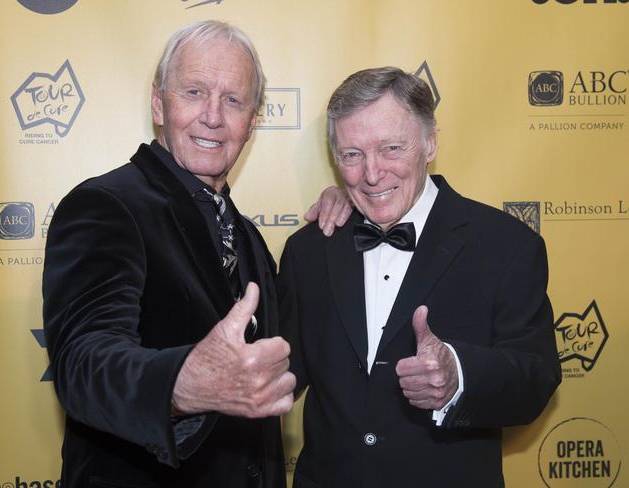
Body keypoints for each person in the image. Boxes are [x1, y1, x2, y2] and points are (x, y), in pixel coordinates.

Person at [42, 20, 349, 488]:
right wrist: (183, 383)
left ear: (252, 120)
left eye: (233, 100)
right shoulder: (106, 205)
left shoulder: (247, 237)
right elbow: (83, 363)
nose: (212, 116)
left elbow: (286, 362)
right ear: (158, 103)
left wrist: (354, 207)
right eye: (193, 92)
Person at [277, 67, 562, 487]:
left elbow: (536, 377)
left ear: (430, 142)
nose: (371, 174)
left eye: (391, 148)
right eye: (351, 154)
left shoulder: (505, 245)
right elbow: (284, 370)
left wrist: (458, 376)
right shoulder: (309, 249)